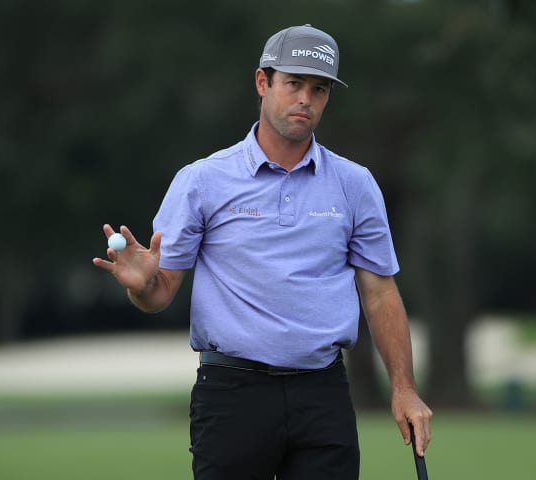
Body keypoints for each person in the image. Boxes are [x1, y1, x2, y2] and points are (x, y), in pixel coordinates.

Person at [92, 24, 432, 479]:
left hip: (322, 393)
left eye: (319, 89)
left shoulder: (355, 184)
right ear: (262, 82)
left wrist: (404, 389)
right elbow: (161, 294)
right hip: (232, 392)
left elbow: (380, 295)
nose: (305, 100)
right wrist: (143, 287)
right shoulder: (202, 180)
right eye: (293, 84)